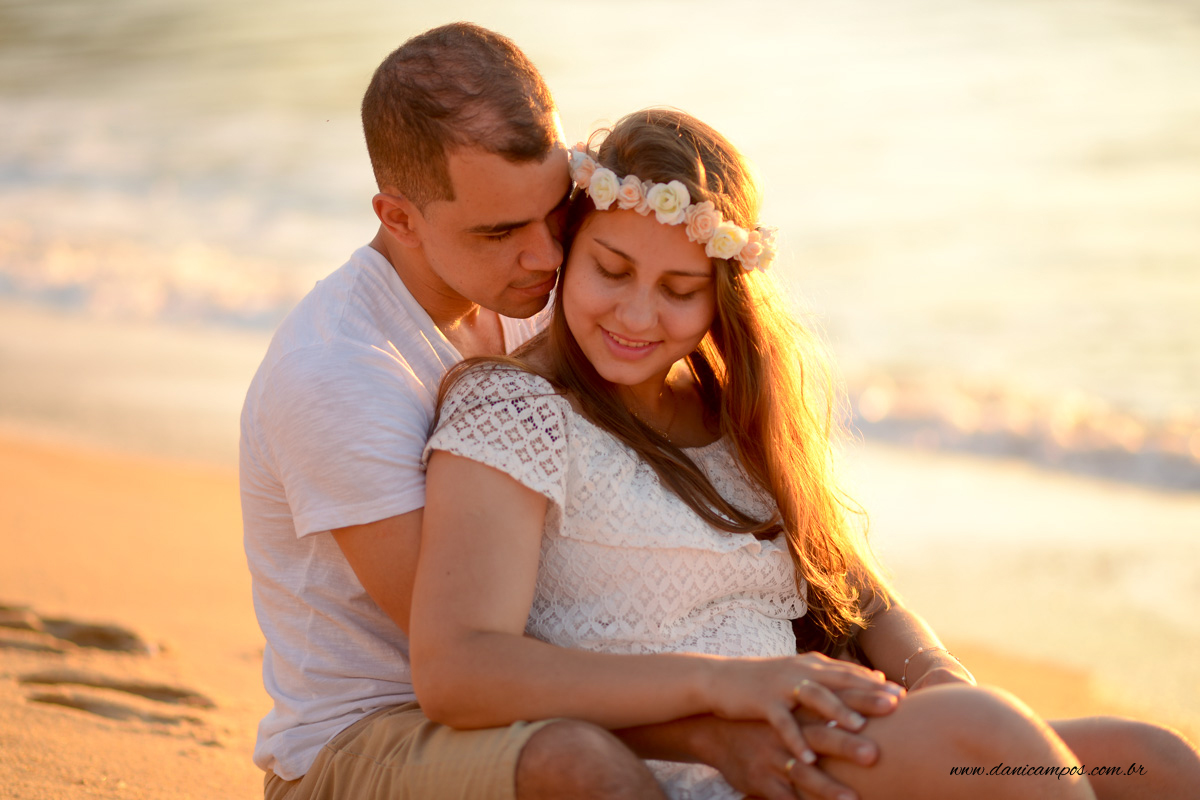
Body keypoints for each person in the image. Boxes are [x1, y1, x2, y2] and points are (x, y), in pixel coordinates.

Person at [410, 108, 1200, 799]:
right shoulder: (512, 408)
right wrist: (721, 688)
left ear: (721, 299)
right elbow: (459, 670)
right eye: (610, 271)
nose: (637, 314)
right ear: (570, 250)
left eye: (679, 290)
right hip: (711, 764)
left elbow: (866, 598)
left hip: (821, 730)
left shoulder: (736, 419)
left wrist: (932, 676)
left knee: (1149, 763)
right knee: (986, 738)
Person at [240, 23, 900, 800]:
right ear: (399, 218)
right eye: (501, 231)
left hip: (550, 707)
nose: (548, 257)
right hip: (370, 743)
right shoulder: (341, 373)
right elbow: (494, 649)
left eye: (553, 214)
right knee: (579, 764)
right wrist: (714, 721)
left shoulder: (537, 295)